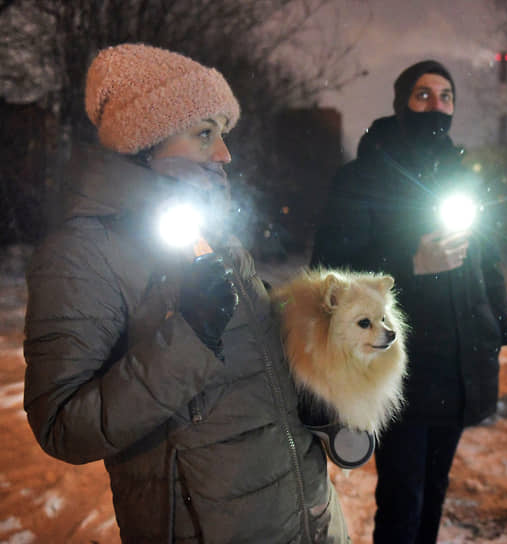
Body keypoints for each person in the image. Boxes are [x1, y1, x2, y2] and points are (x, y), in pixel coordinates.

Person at [23, 43, 348, 543]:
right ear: (145, 143)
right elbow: (62, 425)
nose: (225, 153)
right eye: (204, 134)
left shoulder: (215, 234)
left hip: (304, 518)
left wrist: (311, 391)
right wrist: (189, 341)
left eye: (221, 134)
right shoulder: (82, 253)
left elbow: (248, 369)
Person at [311, 60, 507, 543]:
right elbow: (331, 268)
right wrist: (409, 263)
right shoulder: (364, 177)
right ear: (402, 103)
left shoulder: (464, 174)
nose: (436, 105)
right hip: (401, 361)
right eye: (424, 95)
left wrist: (498, 324)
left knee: (437, 485)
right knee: (403, 493)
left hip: (460, 356)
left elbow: (486, 258)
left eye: (446, 97)